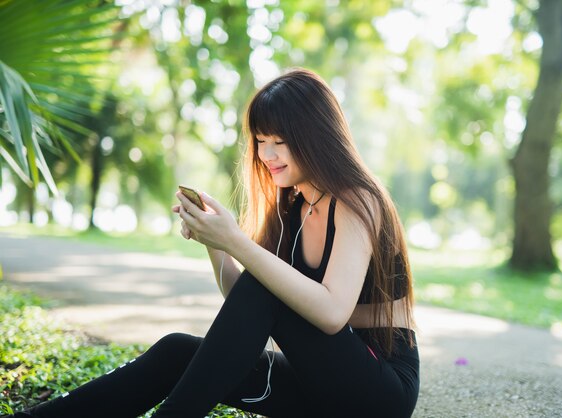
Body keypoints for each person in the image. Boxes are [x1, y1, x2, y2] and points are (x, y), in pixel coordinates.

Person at [4, 68, 419, 418]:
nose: (267, 154)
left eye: (279, 141)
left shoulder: (356, 199)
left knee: (265, 280)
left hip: (377, 391)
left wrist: (237, 242)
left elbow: (331, 314)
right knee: (174, 352)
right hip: (316, 384)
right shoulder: (292, 205)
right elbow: (251, 305)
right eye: (260, 141)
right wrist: (215, 242)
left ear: (316, 136)